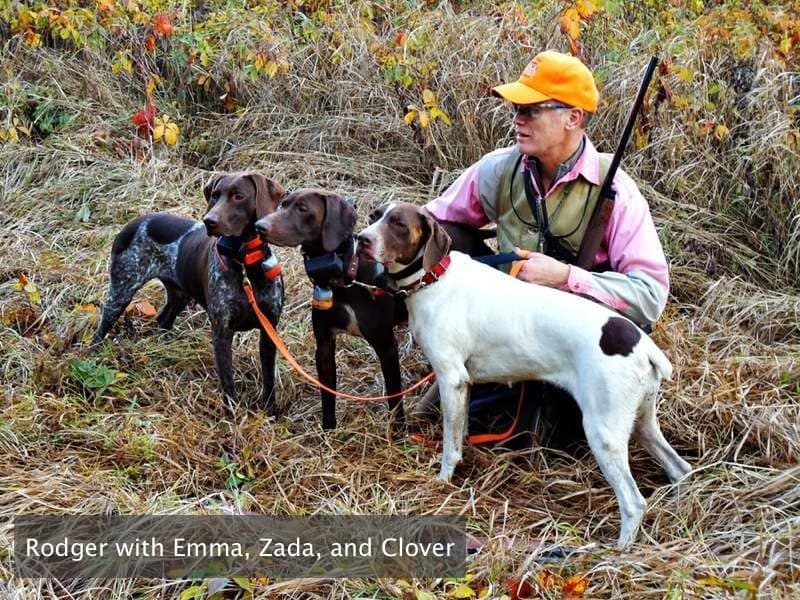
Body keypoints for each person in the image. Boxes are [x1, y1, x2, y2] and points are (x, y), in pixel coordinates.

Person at [413, 50, 670, 448]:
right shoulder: (499, 169)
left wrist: (567, 277)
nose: (518, 119)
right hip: (505, 330)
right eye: (517, 108)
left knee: (565, 442)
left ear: (573, 118)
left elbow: (649, 296)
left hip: (577, 341)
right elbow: (425, 225)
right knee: (445, 236)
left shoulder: (616, 190)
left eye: (531, 110)